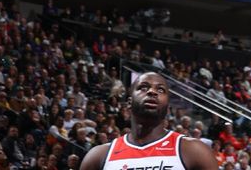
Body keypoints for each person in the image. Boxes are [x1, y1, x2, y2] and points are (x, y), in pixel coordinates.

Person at [79, 72, 217, 170]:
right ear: (129, 102)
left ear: (168, 107)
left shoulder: (195, 151)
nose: (152, 91)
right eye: (143, 87)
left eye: (160, 89)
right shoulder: (98, 156)